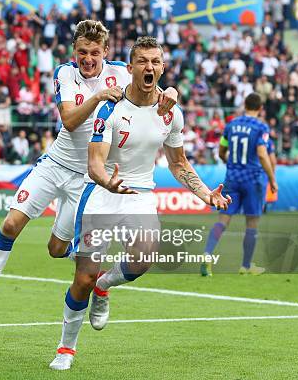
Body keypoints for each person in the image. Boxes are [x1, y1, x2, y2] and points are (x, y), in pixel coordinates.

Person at [0, 21, 178, 325]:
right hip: (55, 164)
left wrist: (171, 90)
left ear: (105, 53)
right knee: (11, 223)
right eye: (82, 52)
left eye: (95, 53)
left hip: (86, 177)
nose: (88, 59)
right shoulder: (64, 74)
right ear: (74, 51)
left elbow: (153, 86)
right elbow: (69, 121)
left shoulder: (122, 71)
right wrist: (98, 97)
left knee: (56, 250)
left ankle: (89, 270)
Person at [48, 36, 232, 370]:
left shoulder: (171, 113)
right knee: (82, 279)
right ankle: (66, 348)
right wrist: (108, 181)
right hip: (101, 192)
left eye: (155, 61)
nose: (149, 67)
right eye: (143, 61)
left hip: (140, 194)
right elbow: (94, 163)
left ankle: (105, 285)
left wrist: (206, 194)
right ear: (130, 68)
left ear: (162, 68)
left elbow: (178, 163)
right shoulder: (110, 108)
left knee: (144, 259)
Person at [201, 92, 277, 277]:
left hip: (232, 178)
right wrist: (272, 179)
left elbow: (221, 151)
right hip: (253, 179)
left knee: (223, 219)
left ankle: (207, 254)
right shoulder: (261, 127)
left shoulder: (231, 125)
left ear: (245, 105)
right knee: (252, 222)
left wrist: (233, 163)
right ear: (260, 108)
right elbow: (261, 153)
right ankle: (245, 266)